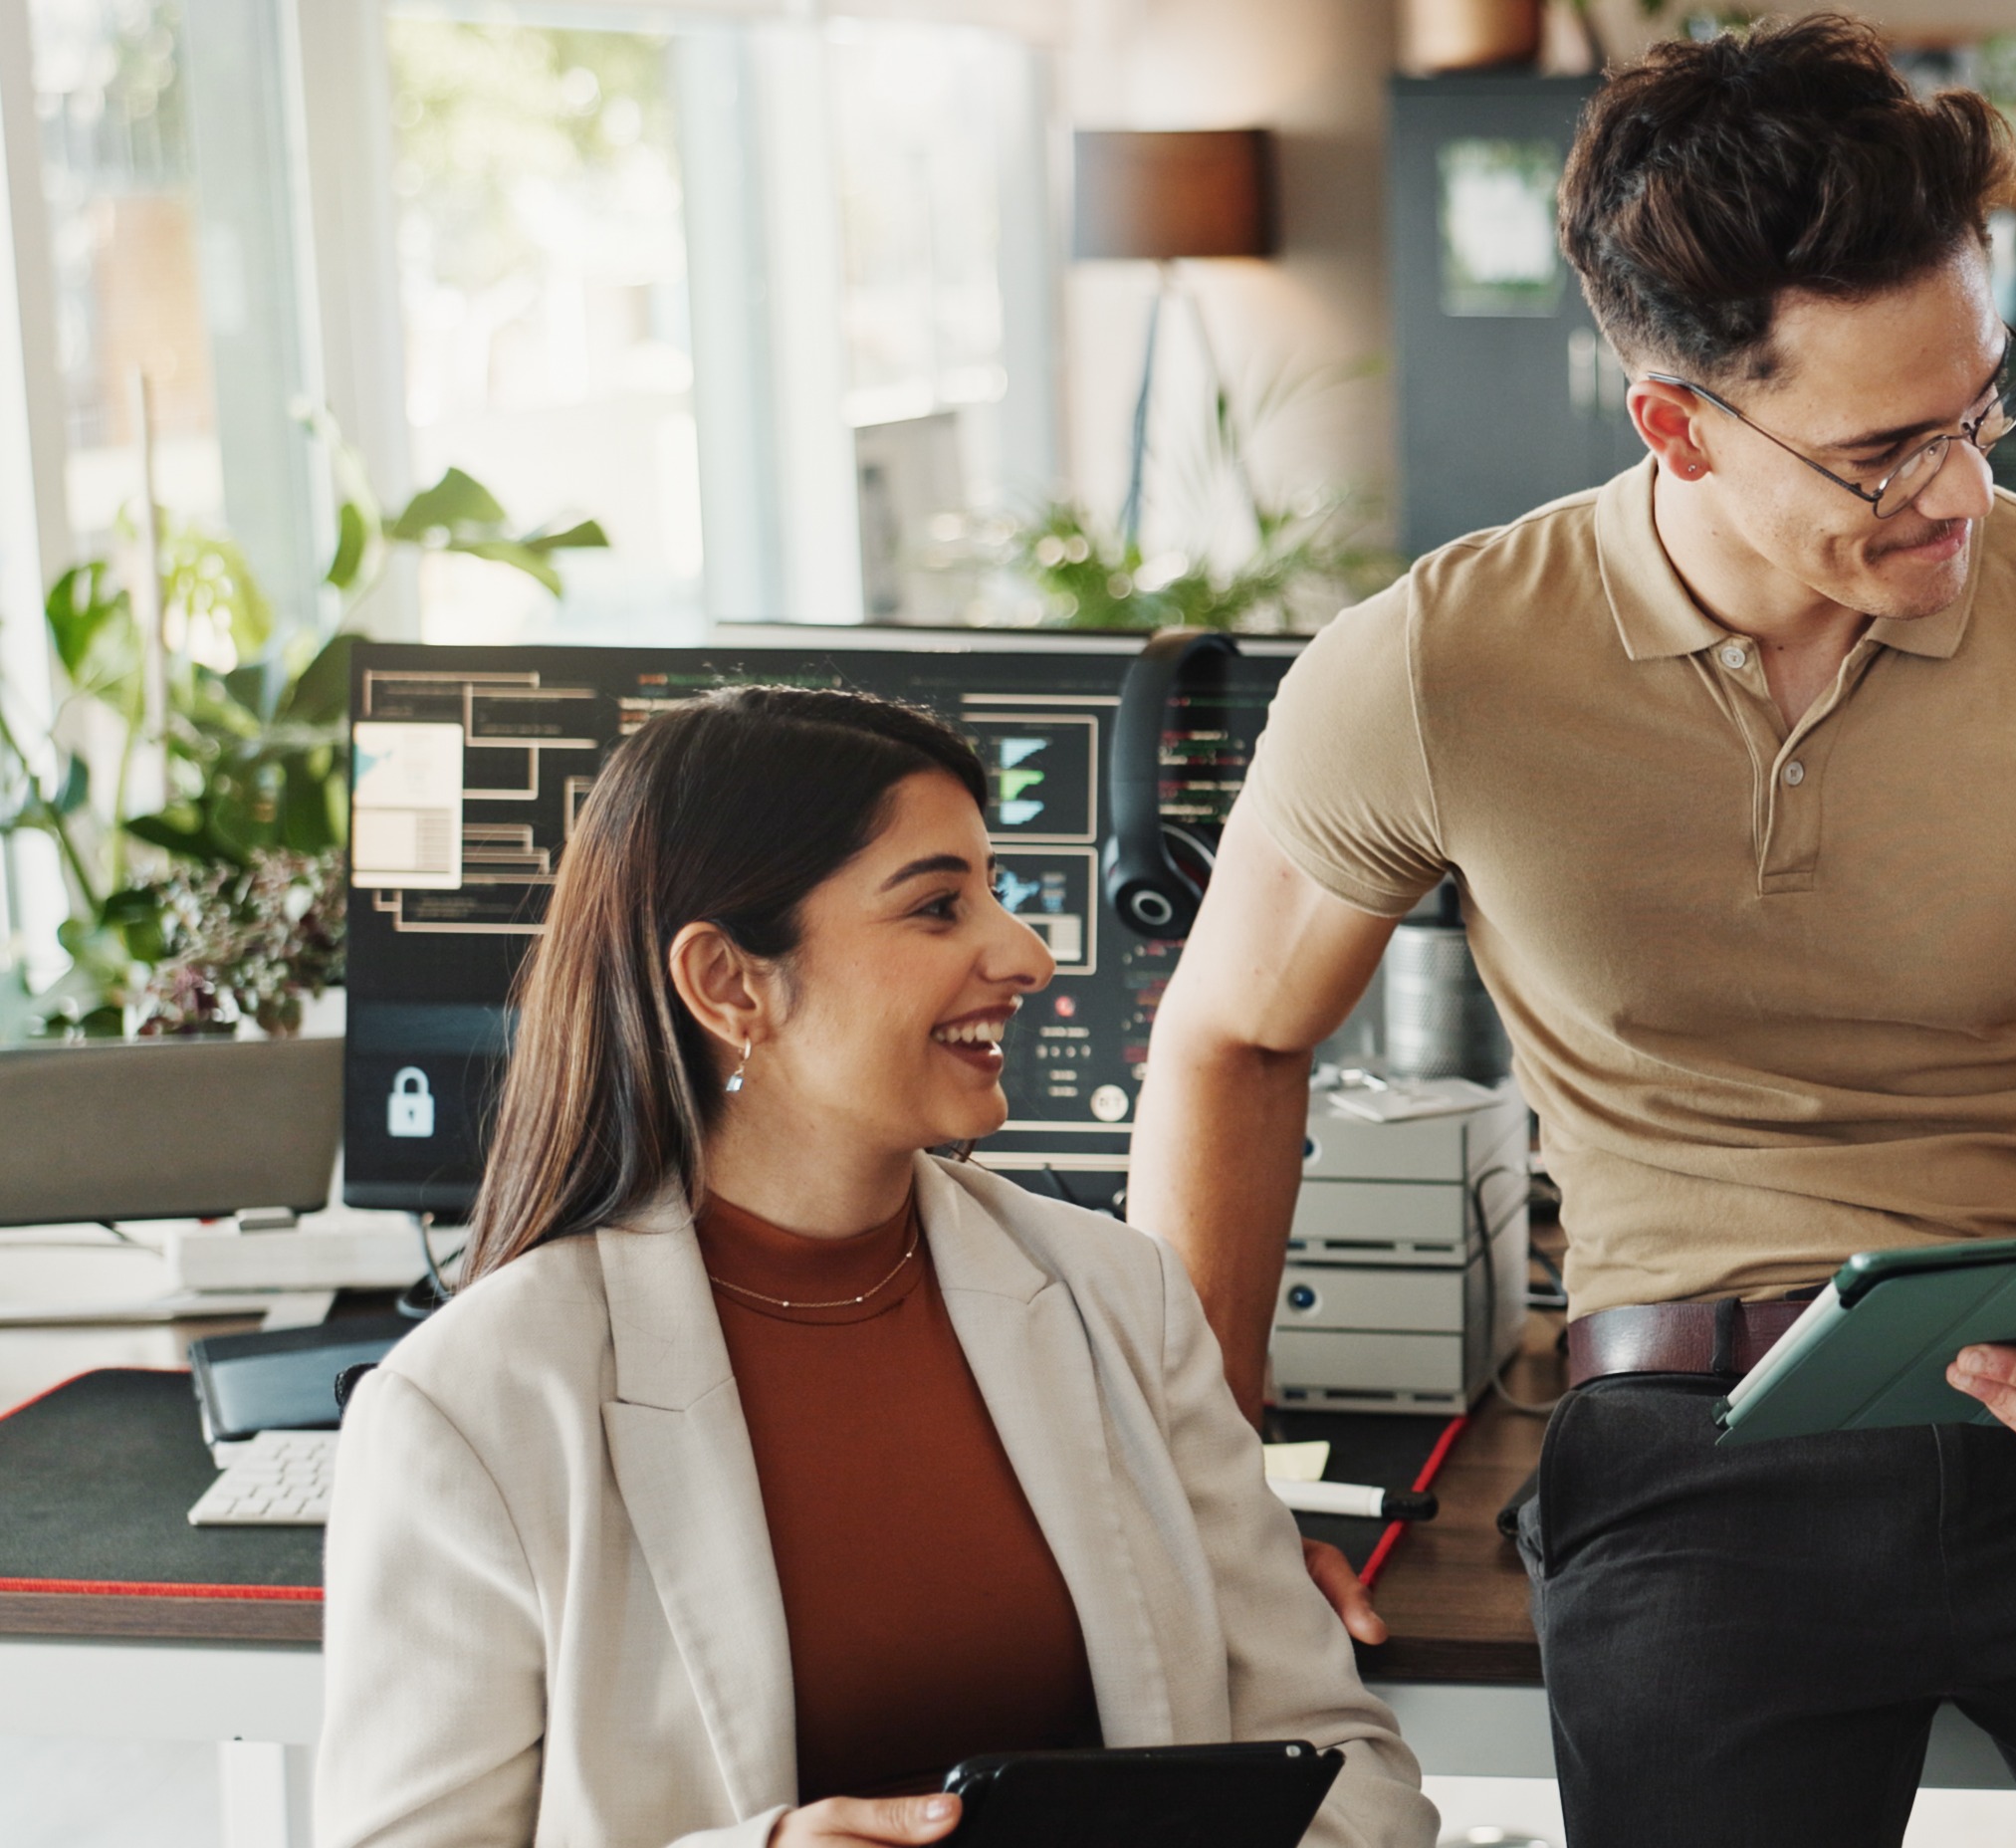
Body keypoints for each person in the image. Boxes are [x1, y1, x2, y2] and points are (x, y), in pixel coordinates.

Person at [1131, 16, 2016, 1846]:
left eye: (1985, 404)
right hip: (1691, 1452)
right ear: (1677, 422)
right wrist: (1215, 1493)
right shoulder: (1434, 667)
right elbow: (1231, 1040)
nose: (1966, 490)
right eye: (1885, 452)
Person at [317, 689, 1438, 1848]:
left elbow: (1339, 1755)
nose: (1027, 953)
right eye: (940, 905)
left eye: (994, 893)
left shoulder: (1119, 1297)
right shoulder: (474, 1401)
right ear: (729, 983)